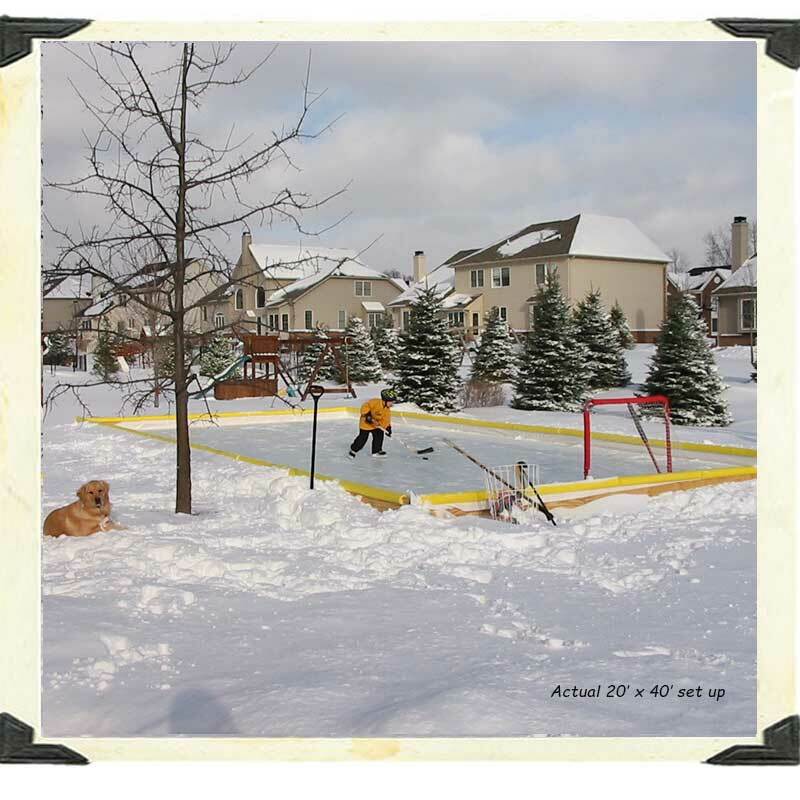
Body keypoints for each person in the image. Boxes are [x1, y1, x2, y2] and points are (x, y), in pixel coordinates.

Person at [348, 388, 396, 458]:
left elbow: (386, 420)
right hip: (365, 423)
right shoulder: (375, 402)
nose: (392, 404)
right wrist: (367, 415)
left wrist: (387, 428)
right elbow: (365, 406)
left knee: (379, 436)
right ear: (385, 400)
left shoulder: (387, 410)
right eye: (391, 402)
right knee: (362, 439)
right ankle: (353, 449)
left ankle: (376, 451)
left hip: (376, 425)